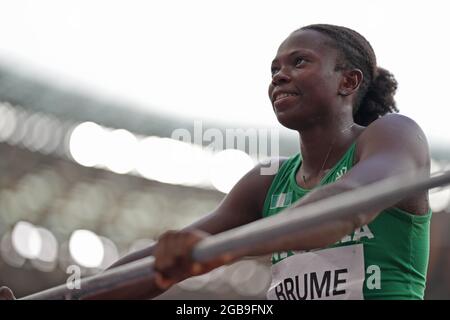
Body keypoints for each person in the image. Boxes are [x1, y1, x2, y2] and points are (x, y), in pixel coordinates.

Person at [1, 24, 431, 300]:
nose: (279, 76)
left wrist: (220, 253)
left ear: (348, 81)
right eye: (274, 68)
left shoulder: (393, 136)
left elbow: (348, 205)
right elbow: (157, 265)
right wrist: (68, 296)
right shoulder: (266, 181)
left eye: (299, 62)